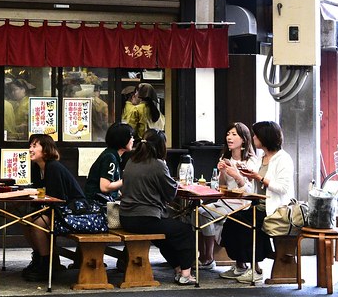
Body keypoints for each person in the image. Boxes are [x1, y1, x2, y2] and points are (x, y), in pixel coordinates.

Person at [220, 120, 294, 284]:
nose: (253, 138)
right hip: (257, 204)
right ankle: (240, 264)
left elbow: (282, 188)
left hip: (275, 207)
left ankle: (256, 268)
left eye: (256, 135)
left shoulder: (283, 158)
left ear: (265, 137)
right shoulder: (262, 158)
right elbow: (254, 185)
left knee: (248, 224)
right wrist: (247, 174)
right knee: (232, 221)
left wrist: (258, 177)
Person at [119, 129, 196, 285]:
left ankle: (178, 268)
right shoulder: (158, 164)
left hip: (126, 218)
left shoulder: (131, 161)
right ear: (161, 146)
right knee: (185, 230)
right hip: (145, 219)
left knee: (166, 236)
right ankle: (186, 274)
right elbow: (170, 193)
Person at [21, 133, 85, 281]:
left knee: (36, 222)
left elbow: (58, 200)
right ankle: (38, 257)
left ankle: (46, 263)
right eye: (30, 145)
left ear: (45, 150)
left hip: (72, 212)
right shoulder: (38, 167)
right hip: (55, 209)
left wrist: (35, 195)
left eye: (34, 146)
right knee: (24, 220)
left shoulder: (53, 167)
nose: (30, 149)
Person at [199, 122, 258, 270]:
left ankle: (209, 256)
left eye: (234, 134)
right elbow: (222, 186)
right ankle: (206, 255)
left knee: (204, 213)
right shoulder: (226, 158)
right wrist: (223, 172)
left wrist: (237, 175)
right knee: (197, 212)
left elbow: (249, 189)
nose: (229, 138)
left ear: (244, 139)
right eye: (228, 134)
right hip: (225, 201)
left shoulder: (251, 161)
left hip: (241, 204)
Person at [84, 122, 134, 201]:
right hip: (97, 204)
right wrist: (127, 179)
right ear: (122, 139)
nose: (133, 140)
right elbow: (105, 187)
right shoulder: (110, 157)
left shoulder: (112, 155)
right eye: (131, 137)